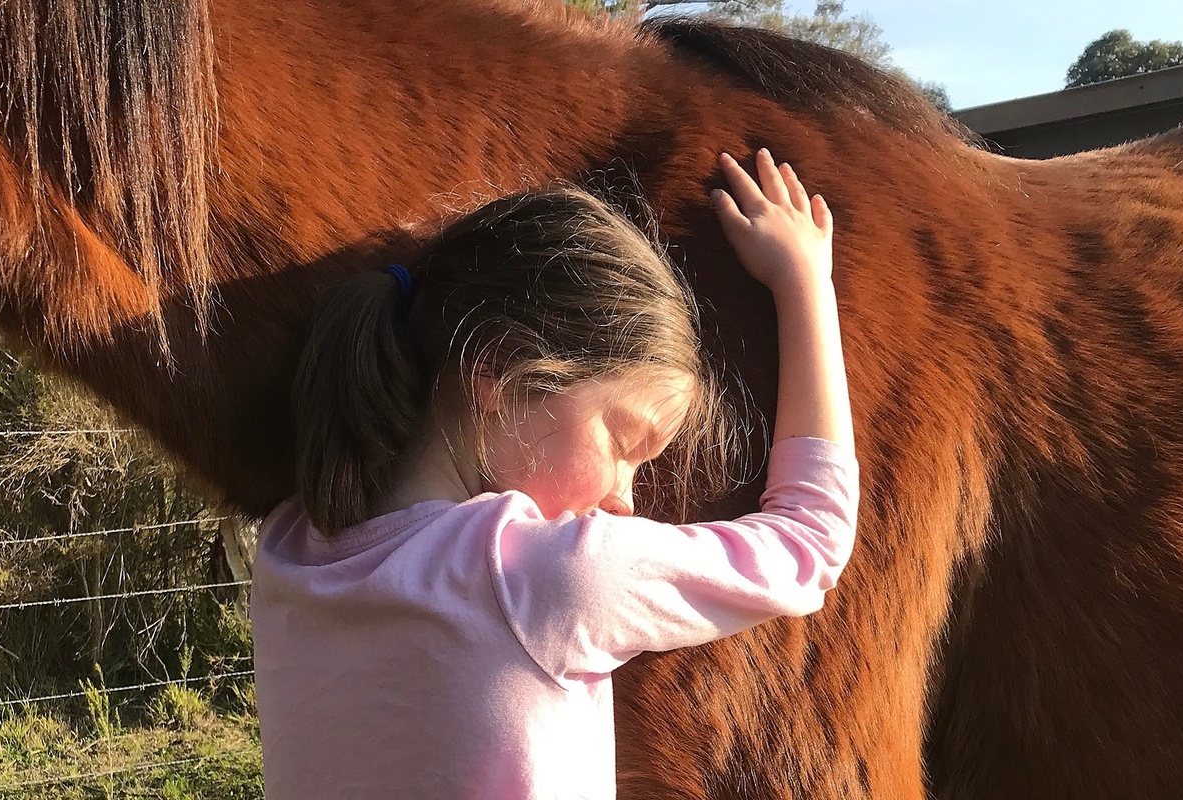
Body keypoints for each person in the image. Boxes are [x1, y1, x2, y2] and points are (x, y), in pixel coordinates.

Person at [252, 149, 857, 799]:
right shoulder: (541, 576)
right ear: (501, 374)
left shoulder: (287, 555)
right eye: (625, 442)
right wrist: (805, 283)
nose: (625, 499)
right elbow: (810, 542)